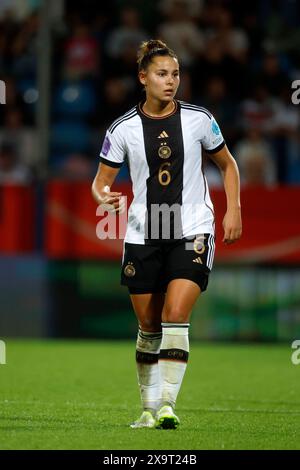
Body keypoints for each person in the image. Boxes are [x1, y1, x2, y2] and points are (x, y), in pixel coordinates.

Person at [92, 39, 242, 429]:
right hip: (144, 234)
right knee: (149, 329)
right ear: (143, 78)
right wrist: (103, 198)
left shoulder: (199, 119)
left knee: (176, 315)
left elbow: (227, 164)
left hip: (192, 229)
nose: (170, 81)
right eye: (161, 74)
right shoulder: (122, 129)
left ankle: (167, 406)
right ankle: (147, 407)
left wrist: (234, 210)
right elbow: (100, 182)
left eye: (175, 73)